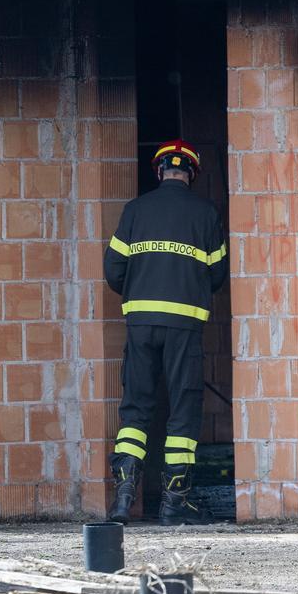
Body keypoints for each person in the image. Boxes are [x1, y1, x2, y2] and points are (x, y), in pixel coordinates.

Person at [103, 140, 229, 526]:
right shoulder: (205, 213)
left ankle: (123, 499)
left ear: (160, 172)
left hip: (140, 325)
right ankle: (175, 503)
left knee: (136, 407)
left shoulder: (135, 210)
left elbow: (114, 271)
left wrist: (143, 290)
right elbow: (218, 276)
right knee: (183, 408)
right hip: (184, 327)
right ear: (190, 174)